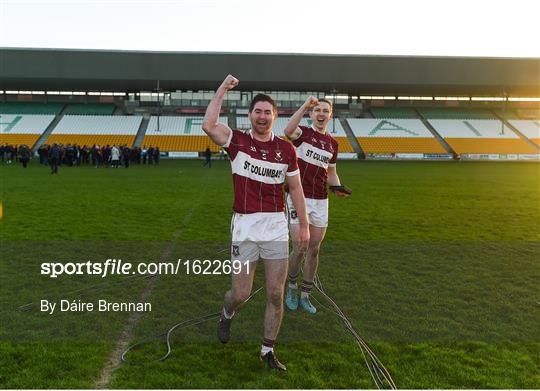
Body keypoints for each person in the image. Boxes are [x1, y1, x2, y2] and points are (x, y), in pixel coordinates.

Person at [202, 75, 309, 371]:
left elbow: (296, 188)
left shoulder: (287, 150)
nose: (262, 117)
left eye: (268, 112)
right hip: (245, 228)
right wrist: (223, 89)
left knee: (275, 293)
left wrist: (303, 225)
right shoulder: (237, 141)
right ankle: (227, 313)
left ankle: (267, 351)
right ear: (250, 115)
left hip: (275, 227)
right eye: (257, 111)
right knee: (241, 294)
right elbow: (209, 126)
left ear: (275, 116)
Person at [283, 96, 350, 314]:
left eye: (325, 111)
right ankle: (291, 287)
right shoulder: (303, 133)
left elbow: (331, 172)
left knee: (314, 249)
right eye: (317, 110)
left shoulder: (333, 143)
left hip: (321, 200)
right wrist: (305, 105)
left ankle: (305, 294)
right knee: (300, 246)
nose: (321, 114)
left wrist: (337, 187)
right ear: (312, 114)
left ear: (330, 115)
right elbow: (287, 129)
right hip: (298, 196)